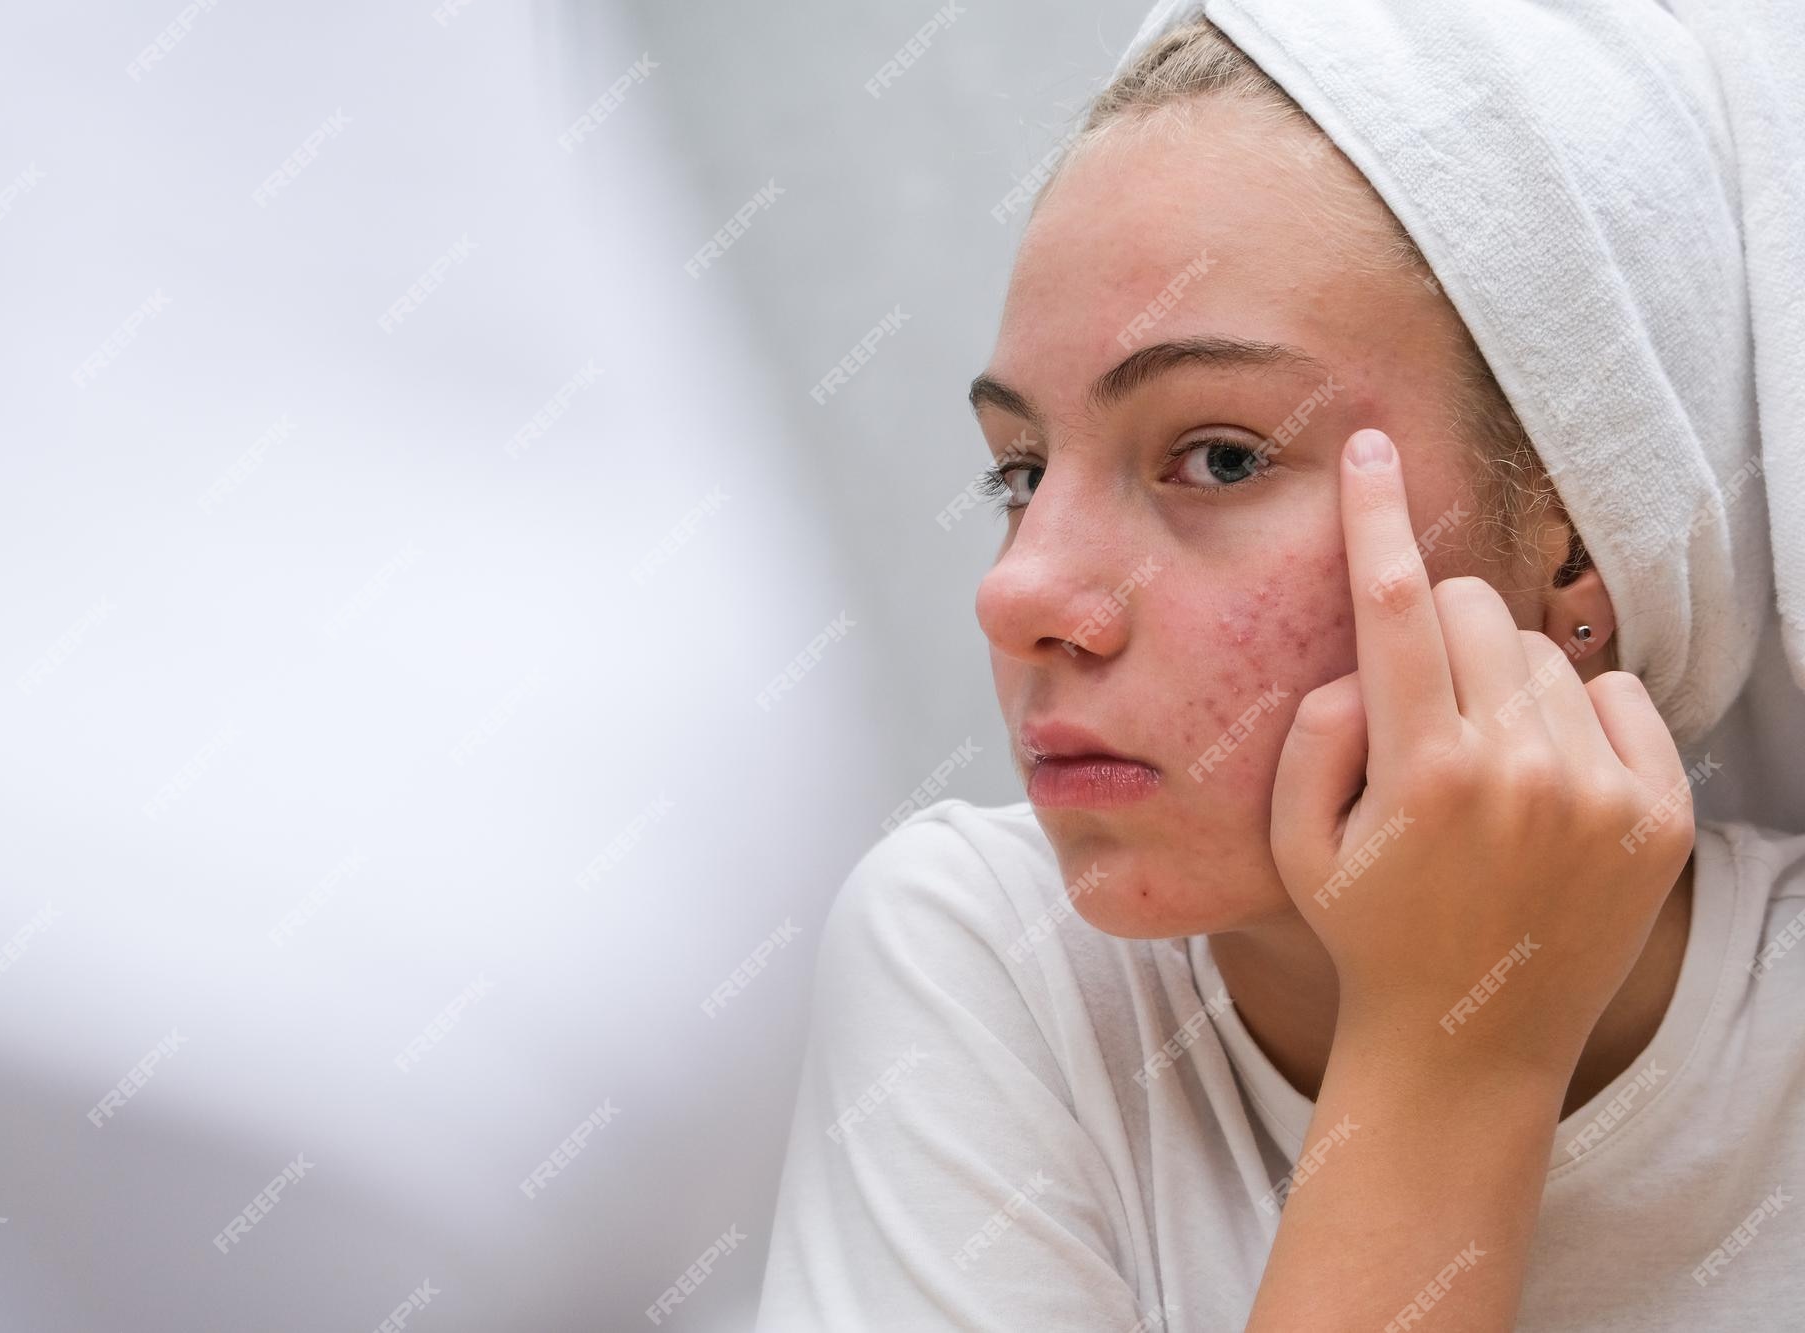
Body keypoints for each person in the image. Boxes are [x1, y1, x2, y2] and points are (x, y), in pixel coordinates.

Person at [756, 4, 1805, 1329]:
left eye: (1222, 456)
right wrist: (1452, 1051)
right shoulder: (996, 971)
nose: (1017, 590)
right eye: (1019, 471)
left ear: (1581, 547)